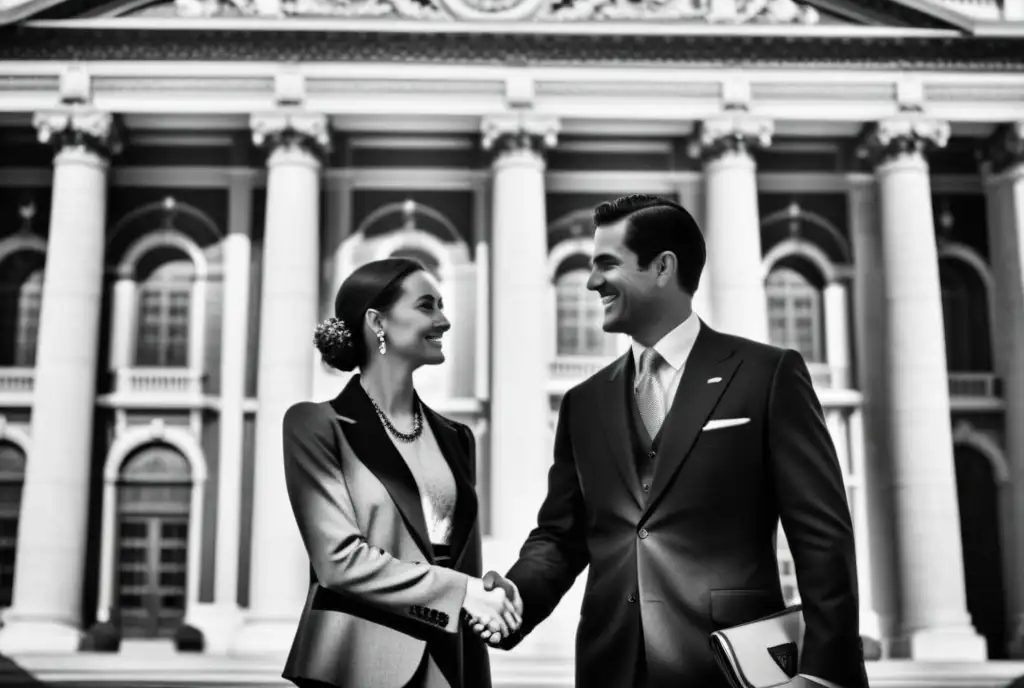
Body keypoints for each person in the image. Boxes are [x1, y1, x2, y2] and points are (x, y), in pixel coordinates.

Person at [481, 195, 869, 688]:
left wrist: (822, 673)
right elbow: (563, 534)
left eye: (607, 264)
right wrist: (517, 594)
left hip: (733, 668)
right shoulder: (584, 402)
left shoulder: (765, 376)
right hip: (612, 667)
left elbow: (822, 538)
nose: (591, 281)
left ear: (663, 267)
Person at [281, 257, 520, 688]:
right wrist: (459, 591)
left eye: (443, 305)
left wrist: (487, 593)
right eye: (426, 306)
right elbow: (339, 562)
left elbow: (455, 558)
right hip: (355, 667)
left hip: (448, 665)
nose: (444, 320)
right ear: (378, 322)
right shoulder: (315, 426)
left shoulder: (457, 437)